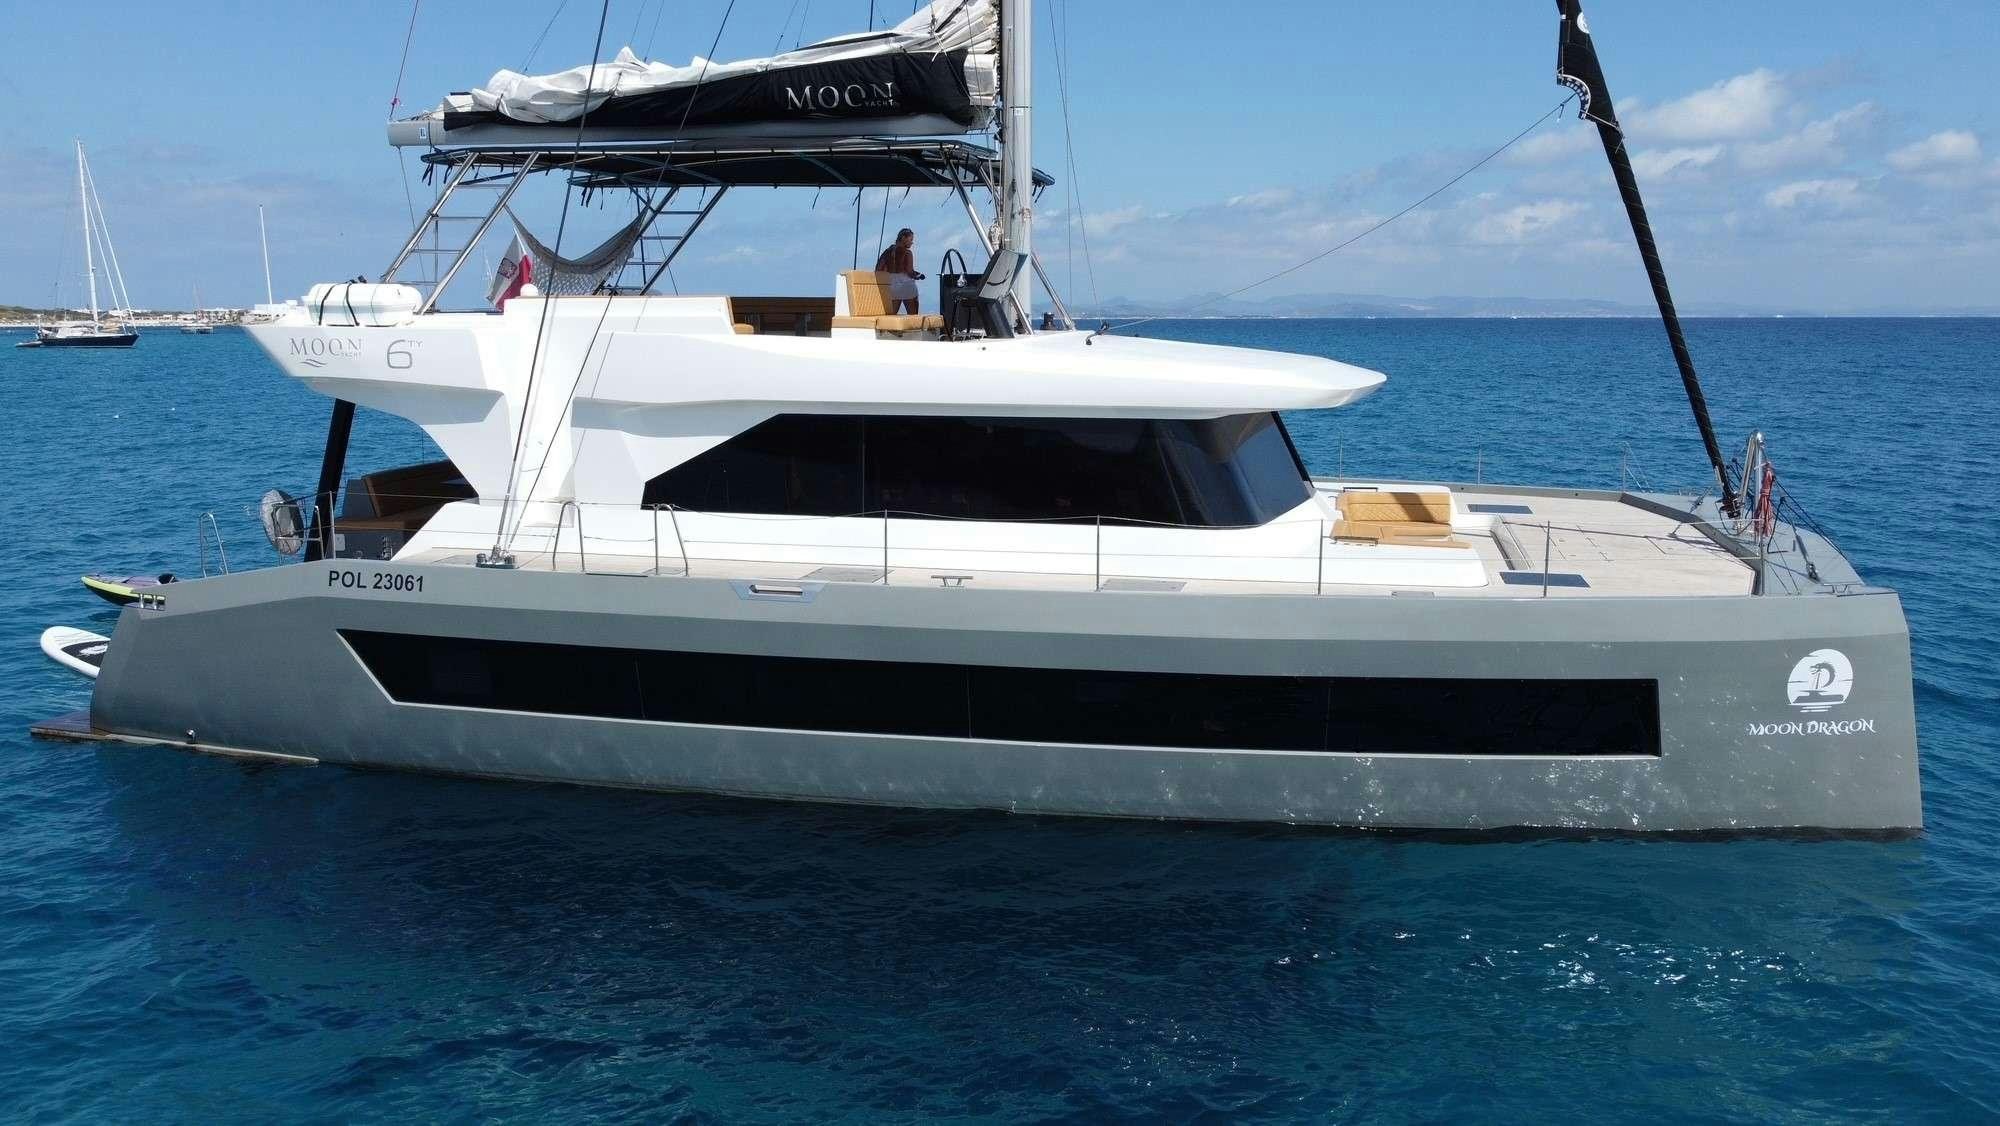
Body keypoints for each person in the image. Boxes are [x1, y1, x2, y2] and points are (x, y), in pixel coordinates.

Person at [874, 228, 925, 315]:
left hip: (893, 286)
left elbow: (878, 269)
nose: (912, 242)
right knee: (913, 316)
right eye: (911, 239)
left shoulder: (887, 252)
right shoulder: (907, 253)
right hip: (907, 285)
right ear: (903, 238)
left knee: (891, 316)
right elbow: (909, 272)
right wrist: (919, 275)